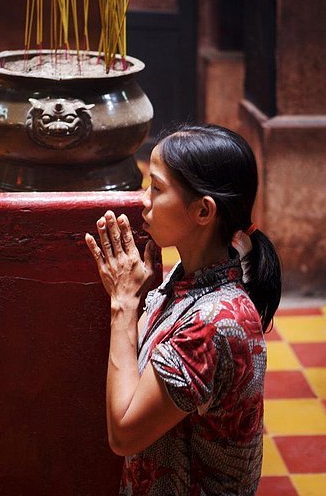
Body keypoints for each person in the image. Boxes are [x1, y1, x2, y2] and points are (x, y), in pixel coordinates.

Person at [85, 123, 281, 496]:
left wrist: (123, 305)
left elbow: (125, 435)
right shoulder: (186, 275)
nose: (143, 200)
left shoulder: (214, 322)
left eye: (157, 189)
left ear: (203, 211)